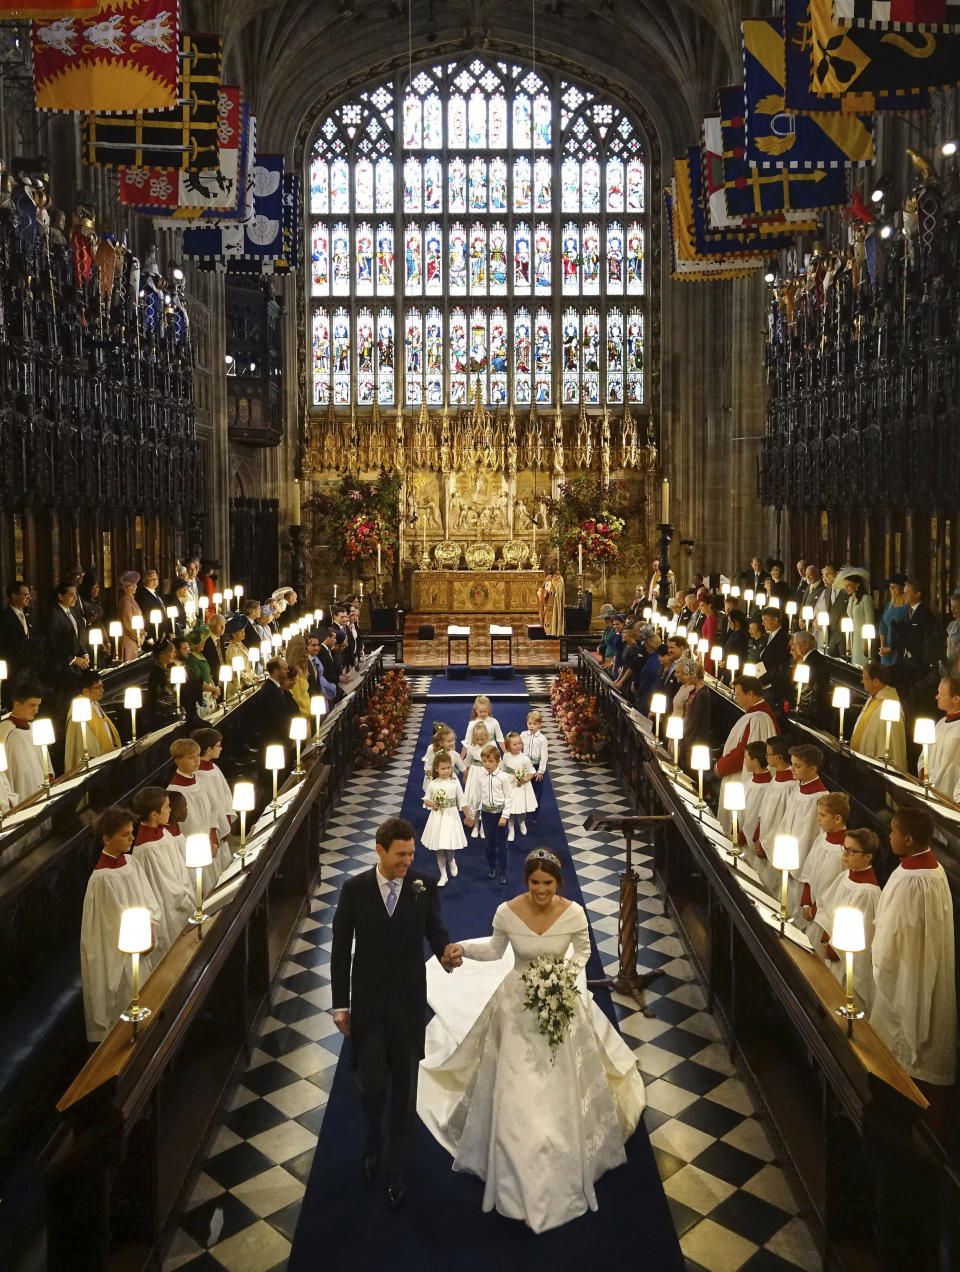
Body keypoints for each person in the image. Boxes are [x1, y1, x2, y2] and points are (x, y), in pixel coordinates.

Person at [417, 847, 646, 1233]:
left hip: (560, 1005)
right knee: (515, 1083)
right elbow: (495, 950)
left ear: (559, 883)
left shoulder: (573, 913)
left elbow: (583, 952)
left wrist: (563, 981)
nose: (541, 890)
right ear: (527, 881)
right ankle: (509, 1157)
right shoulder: (507, 912)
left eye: (548, 883)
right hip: (517, 1008)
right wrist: (462, 950)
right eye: (535, 883)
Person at [330, 816, 460, 1208]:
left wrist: (445, 951)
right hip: (368, 1003)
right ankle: (372, 1136)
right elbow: (339, 950)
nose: (407, 861)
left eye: (411, 854)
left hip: (406, 1003)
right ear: (380, 850)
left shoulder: (423, 885)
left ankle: (395, 1169)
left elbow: (435, 929)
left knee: (404, 1091)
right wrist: (340, 1003)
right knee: (372, 1087)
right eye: (400, 855)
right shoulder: (354, 890)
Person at [870, 807, 956, 1091]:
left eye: (893, 831)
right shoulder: (930, 870)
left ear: (908, 839)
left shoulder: (914, 880)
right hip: (916, 963)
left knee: (899, 1047)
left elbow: (894, 937)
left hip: (908, 972)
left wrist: (878, 954)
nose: (889, 836)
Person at [80, 806, 163, 1043]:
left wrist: (150, 926)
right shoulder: (103, 878)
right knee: (127, 996)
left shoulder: (129, 862)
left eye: (132, 832)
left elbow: (146, 897)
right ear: (107, 839)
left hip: (142, 938)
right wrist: (141, 936)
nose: (132, 837)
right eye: (126, 834)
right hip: (119, 949)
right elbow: (113, 922)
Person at [816, 827, 880, 1013]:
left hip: (847, 960)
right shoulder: (847, 875)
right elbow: (830, 907)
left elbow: (864, 934)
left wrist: (836, 947)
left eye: (852, 851)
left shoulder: (867, 892)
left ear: (868, 857)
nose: (845, 854)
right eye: (844, 848)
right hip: (833, 948)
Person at [130, 787, 194, 951]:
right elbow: (166, 887)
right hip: (167, 908)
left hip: (181, 894)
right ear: (154, 814)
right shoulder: (146, 848)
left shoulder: (164, 833)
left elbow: (179, 868)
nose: (170, 810)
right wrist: (186, 898)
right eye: (166, 807)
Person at [714, 676, 779, 832]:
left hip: (742, 779)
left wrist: (720, 767)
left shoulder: (759, 718)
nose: (736, 698)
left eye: (738, 694)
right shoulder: (756, 713)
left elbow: (746, 751)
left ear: (750, 694)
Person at [167, 737, 231, 881]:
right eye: (191, 757)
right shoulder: (175, 791)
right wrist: (206, 839)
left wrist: (213, 830)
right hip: (196, 846)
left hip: (210, 837)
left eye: (197, 756)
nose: (197, 760)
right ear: (177, 761)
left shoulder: (199, 780)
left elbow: (212, 808)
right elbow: (188, 824)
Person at [775, 745, 827, 914]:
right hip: (787, 861)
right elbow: (785, 823)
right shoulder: (798, 789)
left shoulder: (821, 798)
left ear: (813, 769)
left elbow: (814, 838)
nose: (792, 769)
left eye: (797, 766)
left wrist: (799, 871)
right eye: (792, 764)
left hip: (802, 867)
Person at [798, 791, 849, 932]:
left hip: (828, 916)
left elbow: (836, 887)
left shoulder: (845, 850)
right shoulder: (820, 840)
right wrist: (806, 902)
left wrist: (817, 907)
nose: (818, 819)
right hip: (813, 908)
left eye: (822, 815)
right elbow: (808, 873)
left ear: (838, 819)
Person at [422, 751, 469, 886]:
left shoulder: (455, 783)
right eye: (443, 768)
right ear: (436, 769)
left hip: (451, 816)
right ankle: (443, 874)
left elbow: (462, 800)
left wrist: (468, 816)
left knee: (449, 844)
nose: (446, 771)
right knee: (439, 846)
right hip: (437, 817)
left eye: (448, 768)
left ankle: (451, 860)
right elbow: (426, 800)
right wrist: (433, 804)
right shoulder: (433, 784)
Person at [850, 662, 906, 769]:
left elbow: (889, 743)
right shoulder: (874, 697)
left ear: (876, 682)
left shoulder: (890, 704)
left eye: (866, 679)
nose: (862, 682)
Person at [0, 679, 49, 800]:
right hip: (20, 794)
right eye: (32, 705)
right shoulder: (7, 733)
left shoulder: (34, 728)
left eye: (38, 705)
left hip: (39, 788)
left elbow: (45, 763)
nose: (36, 710)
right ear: (17, 704)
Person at [65, 670, 121, 770]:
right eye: (98, 687)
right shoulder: (78, 709)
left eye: (102, 686)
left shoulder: (94, 704)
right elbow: (81, 745)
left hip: (106, 758)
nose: (102, 690)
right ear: (86, 691)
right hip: (93, 764)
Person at [892, 579, 943, 689]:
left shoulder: (925, 614)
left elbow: (928, 641)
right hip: (906, 662)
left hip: (918, 665)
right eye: (903, 592)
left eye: (907, 592)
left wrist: (922, 663)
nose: (903, 595)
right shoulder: (908, 612)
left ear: (917, 594)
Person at [918, 675, 960, 798]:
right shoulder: (941, 722)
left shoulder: (958, 732)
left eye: (941, 694)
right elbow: (925, 755)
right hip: (928, 789)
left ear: (956, 699)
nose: (936, 697)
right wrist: (924, 774)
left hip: (947, 796)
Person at [45, 579, 90, 691]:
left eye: (76, 594)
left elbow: (76, 636)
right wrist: (73, 659)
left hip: (75, 667)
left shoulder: (72, 611)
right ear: (60, 596)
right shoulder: (53, 614)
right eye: (71, 595)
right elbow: (52, 642)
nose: (75, 598)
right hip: (61, 666)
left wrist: (84, 652)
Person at [192, 727, 234, 846]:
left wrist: (227, 819)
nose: (221, 748)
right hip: (211, 828)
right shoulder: (197, 775)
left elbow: (226, 794)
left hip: (222, 821)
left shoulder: (214, 768)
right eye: (218, 745)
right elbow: (209, 806)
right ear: (209, 749)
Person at [0, 581, 35, 706]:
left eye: (29, 595)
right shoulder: (5, 618)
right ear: (14, 596)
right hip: (14, 669)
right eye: (25, 595)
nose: (28, 598)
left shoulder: (27, 615)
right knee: (15, 702)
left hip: (28, 668)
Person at [738, 739, 772, 867]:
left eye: (746, 757)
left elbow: (754, 817)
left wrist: (743, 834)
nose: (744, 761)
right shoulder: (751, 782)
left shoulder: (766, 787)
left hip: (751, 841)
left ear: (755, 761)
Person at [500, 730, 537, 840]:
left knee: (522, 808)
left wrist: (525, 779)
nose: (518, 746)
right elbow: (503, 769)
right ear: (508, 745)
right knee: (511, 808)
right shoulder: (506, 756)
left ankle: (521, 822)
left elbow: (531, 772)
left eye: (519, 743)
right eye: (514, 744)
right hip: (511, 786)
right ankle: (511, 828)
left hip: (522, 786)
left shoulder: (525, 759)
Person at [790, 630, 831, 731]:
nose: (793, 647)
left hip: (812, 713)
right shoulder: (812, 659)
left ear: (806, 644)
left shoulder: (812, 662)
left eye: (795, 643)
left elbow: (808, 688)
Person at [259, 656, 301, 750]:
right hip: (276, 742)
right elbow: (278, 718)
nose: (287, 671)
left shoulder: (275, 687)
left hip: (281, 739)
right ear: (276, 671)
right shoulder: (269, 691)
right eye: (285, 669)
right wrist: (290, 738)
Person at [840, 571, 875, 668]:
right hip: (853, 637)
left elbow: (870, 621)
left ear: (857, 584)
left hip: (864, 637)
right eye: (845, 586)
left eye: (849, 585)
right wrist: (848, 642)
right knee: (854, 665)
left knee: (864, 665)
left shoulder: (866, 599)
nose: (846, 588)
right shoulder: (851, 599)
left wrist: (866, 643)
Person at [422, 722, 465, 794]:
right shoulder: (433, 751)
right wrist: (431, 773)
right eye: (449, 741)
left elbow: (463, 768)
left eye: (453, 740)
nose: (452, 743)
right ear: (441, 742)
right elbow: (428, 767)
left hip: (449, 780)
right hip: (436, 779)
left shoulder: (454, 754)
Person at [877, 574, 908, 670]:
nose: (891, 589)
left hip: (899, 648)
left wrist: (891, 648)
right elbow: (882, 626)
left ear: (903, 589)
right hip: (886, 647)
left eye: (894, 587)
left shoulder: (907, 608)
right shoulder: (888, 605)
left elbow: (905, 631)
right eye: (890, 587)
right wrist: (882, 646)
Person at [116, 571, 143, 662]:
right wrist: (140, 637)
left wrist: (142, 634)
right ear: (126, 587)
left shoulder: (131, 599)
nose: (135, 587)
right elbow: (128, 624)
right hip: (129, 641)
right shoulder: (126, 602)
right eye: (132, 585)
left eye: (135, 584)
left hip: (134, 640)